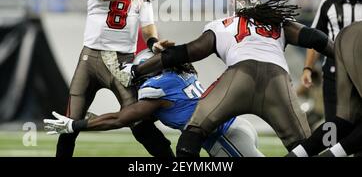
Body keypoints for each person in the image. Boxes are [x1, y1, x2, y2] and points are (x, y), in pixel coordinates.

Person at [117, 0, 335, 157]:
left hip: (239, 77)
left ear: (235, 10)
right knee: (305, 148)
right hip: (277, 81)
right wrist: (341, 57)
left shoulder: (223, 24)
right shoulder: (277, 22)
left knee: (194, 131)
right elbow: (315, 38)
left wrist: (138, 69)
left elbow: (185, 53)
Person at [55, 0, 174, 158]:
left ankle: (172, 162)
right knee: (69, 124)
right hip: (90, 58)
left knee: (138, 122)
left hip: (123, 61)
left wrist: (153, 43)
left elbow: (147, 20)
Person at [44, 49, 264, 157]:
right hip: (236, 127)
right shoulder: (182, 74)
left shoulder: (157, 88)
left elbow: (122, 119)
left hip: (224, 137)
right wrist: (93, 121)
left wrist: (75, 125)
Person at [287, 21, 362, 157]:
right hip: (341, 60)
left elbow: (315, 36)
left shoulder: (329, 3)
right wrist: (308, 68)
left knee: (343, 121)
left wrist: (307, 68)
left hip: (342, 40)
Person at [301, 0, 362, 122]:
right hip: (334, 72)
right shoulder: (329, 3)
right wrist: (308, 68)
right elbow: (315, 38)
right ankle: (331, 148)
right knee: (332, 125)